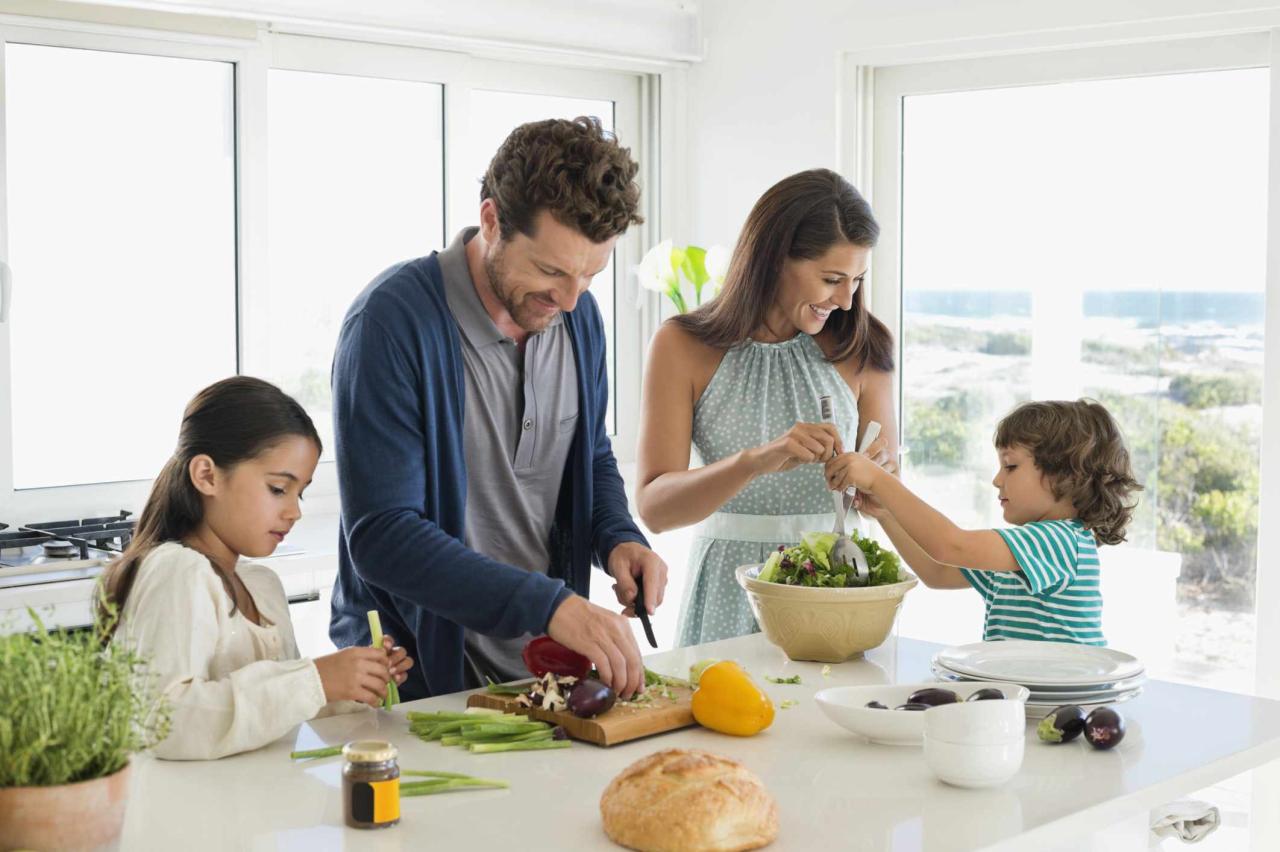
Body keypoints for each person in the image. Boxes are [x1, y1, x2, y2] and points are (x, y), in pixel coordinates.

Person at [329, 116, 667, 700]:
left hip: (542, 675)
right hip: (413, 680)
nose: (569, 297)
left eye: (591, 273)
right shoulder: (391, 324)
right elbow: (383, 535)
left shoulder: (578, 318)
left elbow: (588, 456)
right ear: (492, 221)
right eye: (551, 270)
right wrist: (550, 604)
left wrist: (617, 536)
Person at [636, 168, 898, 646]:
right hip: (725, 592)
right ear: (774, 258)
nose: (845, 300)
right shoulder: (682, 345)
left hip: (836, 587)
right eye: (831, 279)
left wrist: (880, 490)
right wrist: (756, 461)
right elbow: (655, 509)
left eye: (857, 281)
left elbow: (888, 494)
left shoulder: (864, 347)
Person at [103, 377, 412, 760]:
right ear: (207, 475)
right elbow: (162, 721)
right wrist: (314, 680)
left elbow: (270, 716)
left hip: (251, 807)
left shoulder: (262, 585)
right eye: (278, 489)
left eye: (301, 492)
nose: (294, 511)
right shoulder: (177, 571)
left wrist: (353, 682)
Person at [826, 399, 1142, 645]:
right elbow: (938, 571)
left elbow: (950, 546)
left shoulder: (1060, 541)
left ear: (1066, 475)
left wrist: (880, 481)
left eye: (1011, 466)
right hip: (1031, 701)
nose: (996, 480)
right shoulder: (1023, 552)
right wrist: (885, 514)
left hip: (1068, 707)